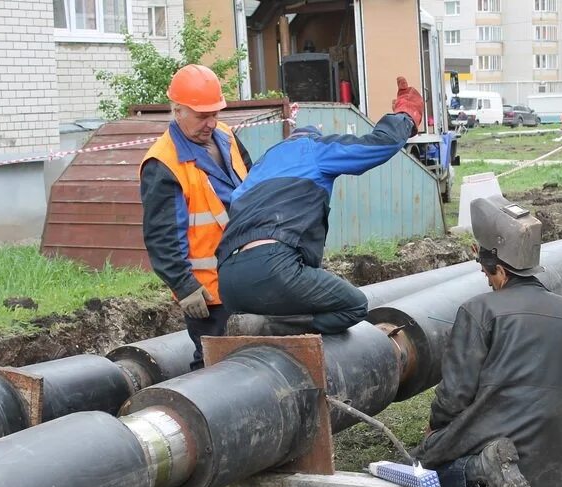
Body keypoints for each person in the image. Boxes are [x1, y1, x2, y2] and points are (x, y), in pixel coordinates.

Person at [414, 196, 562, 487]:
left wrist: (436, 430)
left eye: (487, 274)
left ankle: (483, 467)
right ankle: (500, 468)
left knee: (422, 471)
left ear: (500, 270)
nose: (487, 281)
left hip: (493, 435)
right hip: (556, 467)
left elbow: (454, 395)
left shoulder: (479, 310)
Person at [219, 77, 424, 336]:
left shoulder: (259, 168)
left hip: (227, 280)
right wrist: (405, 116)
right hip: (272, 267)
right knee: (354, 306)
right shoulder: (314, 149)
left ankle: (259, 327)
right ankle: (271, 327)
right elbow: (378, 145)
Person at [140, 64, 252, 370]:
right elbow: (162, 238)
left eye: (215, 114)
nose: (211, 123)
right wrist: (184, 286)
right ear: (178, 111)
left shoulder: (227, 137)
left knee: (254, 357)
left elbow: (253, 187)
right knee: (215, 367)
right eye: (203, 116)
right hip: (209, 294)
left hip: (249, 275)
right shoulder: (163, 164)